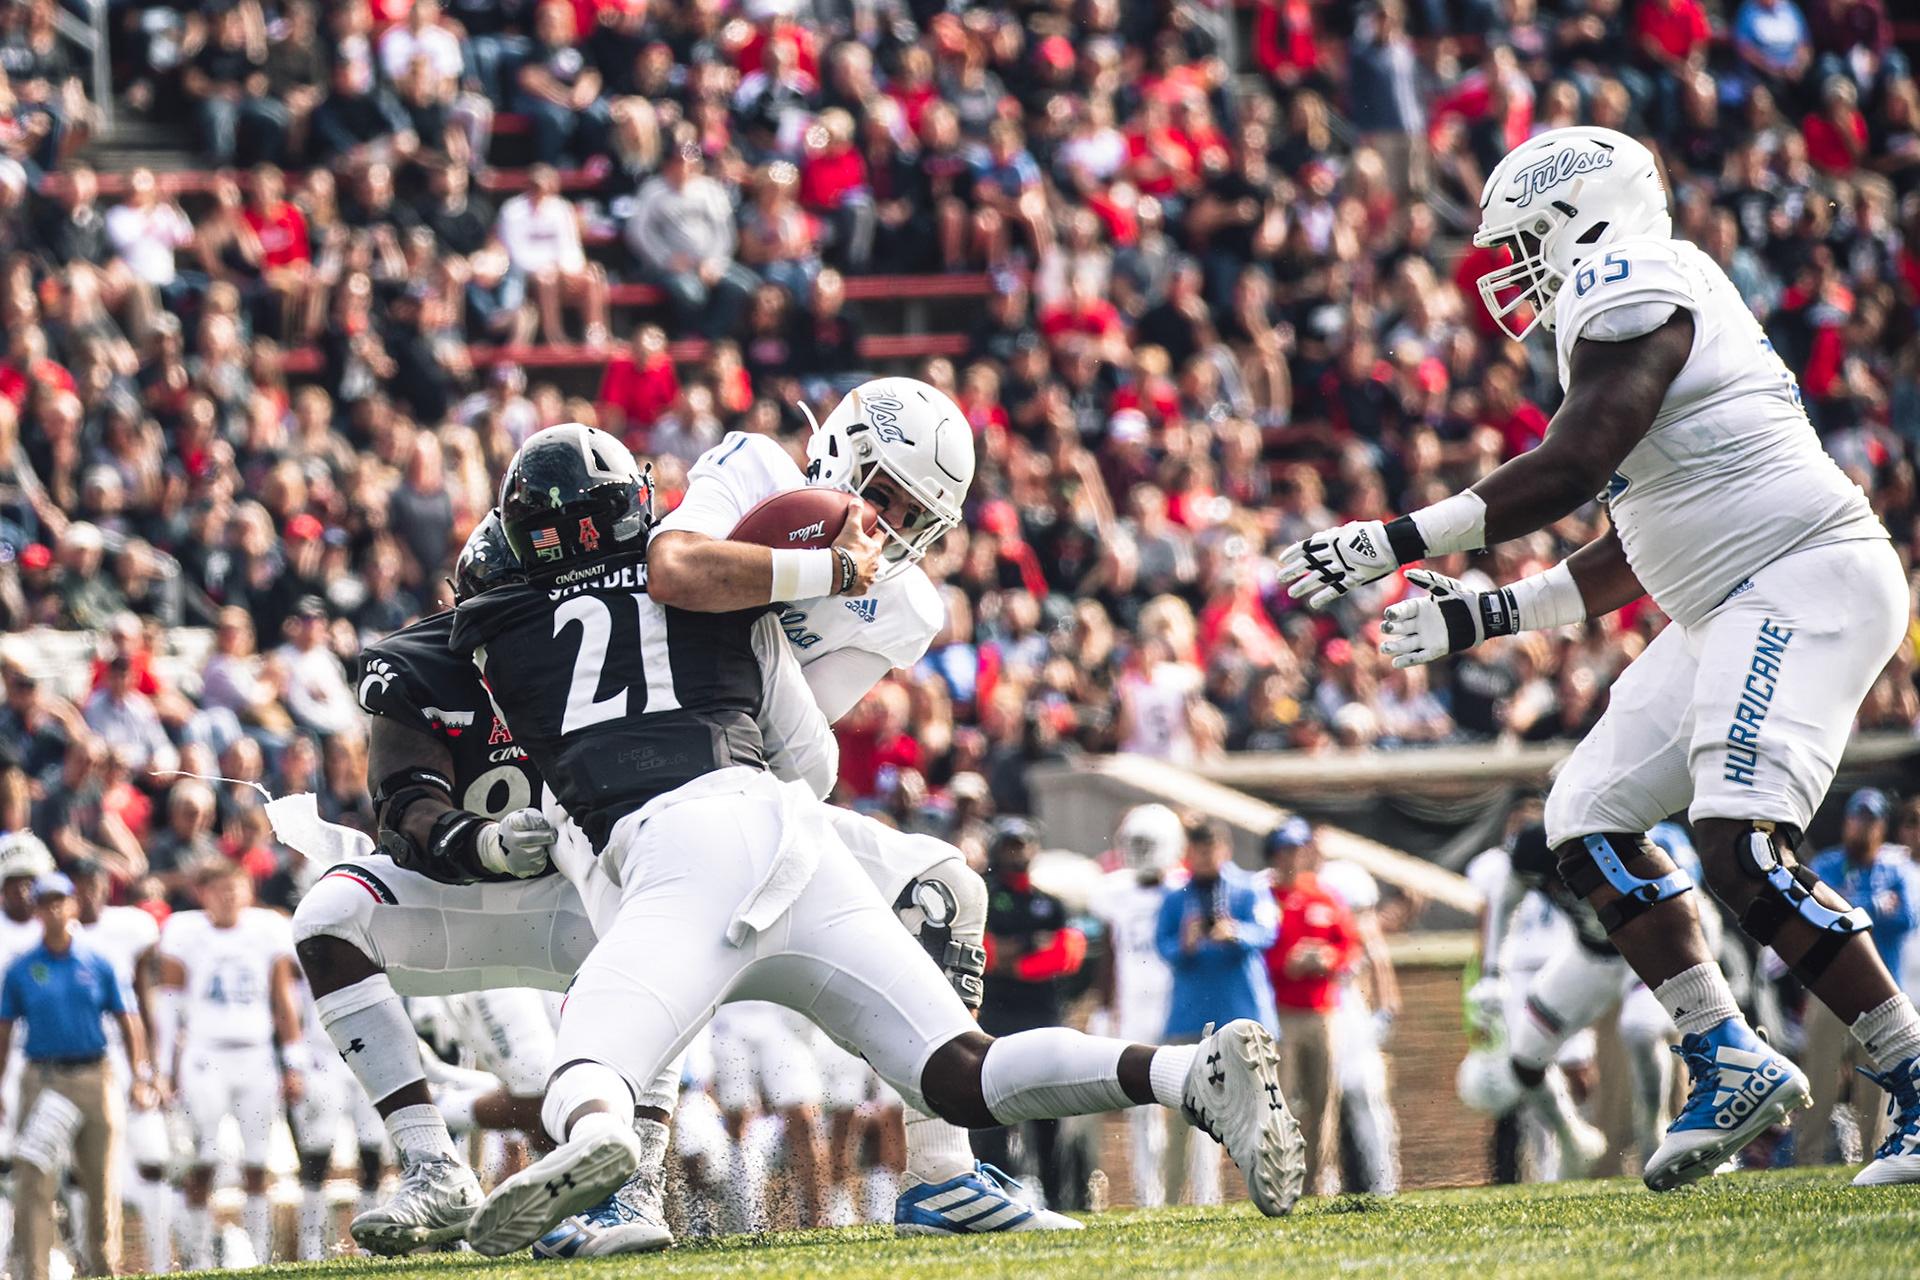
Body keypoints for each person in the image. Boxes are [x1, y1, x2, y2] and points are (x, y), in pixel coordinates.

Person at [448, 425, 1304, 1255]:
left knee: (592, 1058)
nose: (890, 523)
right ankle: (1185, 1074)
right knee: (963, 1070)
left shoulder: (502, 627)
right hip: (783, 829)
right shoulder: (718, 556)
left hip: (670, 843)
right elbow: (803, 754)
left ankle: (604, 1150)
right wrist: (802, 587)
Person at [1278, 124, 1919, 1189]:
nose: (1514, 269)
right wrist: (1485, 616)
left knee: (1738, 841)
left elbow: (1572, 466)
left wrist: (1395, 538)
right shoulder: (1642, 306)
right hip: (1731, 593)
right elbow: (1636, 544)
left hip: (1798, 573)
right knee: (1585, 816)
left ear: (1580, 219)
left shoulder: (1631, 279)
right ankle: (1725, 1054)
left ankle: (1913, 1071)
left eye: (1525, 240)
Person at [0, 873, 157, 1280]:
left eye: (60, 900)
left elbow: (129, 1020)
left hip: (94, 1075)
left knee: (101, 1179)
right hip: (42, 1077)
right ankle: (34, 1272)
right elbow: (4, 1031)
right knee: (35, 1180)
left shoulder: (98, 961)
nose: (54, 909)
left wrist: (141, 1075)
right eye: (45, 902)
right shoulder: (21, 968)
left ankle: (103, 1269)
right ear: (36, 911)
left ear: (72, 904)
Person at [156, 860, 306, 1268]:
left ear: (248, 891)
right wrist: (164, 1069)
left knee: (257, 1162)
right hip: (206, 1054)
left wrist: (293, 1062)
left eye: (235, 887)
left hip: (256, 1052)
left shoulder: (266, 929)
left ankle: (260, 1256)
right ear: (202, 893)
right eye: (219, 888)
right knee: (203, 1159)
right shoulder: (185, 931)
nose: (228, 896)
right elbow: (169, 1005)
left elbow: (283, 998)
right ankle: (198, 1258)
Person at [1156, 815, 1279, 1205]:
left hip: (1241, 1012)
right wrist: (1186, 942)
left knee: (1258, 1109)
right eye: (1198, 850)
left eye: (1211, 849)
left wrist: (1236, 932)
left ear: (1225, 849)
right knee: (1180, 1111)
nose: (1205, 857)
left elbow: (1268, 932)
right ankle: (1173, 1200)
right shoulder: (1175, 897)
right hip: (1189, 1015)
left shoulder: (1248, 889)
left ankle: (1267, 1192)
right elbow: (1162, 946)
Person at [973, 818, 1087, 1211]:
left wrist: (1015, 959)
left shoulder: (1051, 903)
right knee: (993, 1112)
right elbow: (985, 953)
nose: (1016, 853)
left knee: (1049, 1113)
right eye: (1010, 845)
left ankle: (1058, 1200)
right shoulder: (985, 898)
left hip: (1043, 1017)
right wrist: (1032, 948)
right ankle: (995, 1198)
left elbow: (1067, 955)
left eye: (1022, 845)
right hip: (997, 1020)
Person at [1800, 789, 1918, 1165]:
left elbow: (1908, 917)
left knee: (1876, 1083)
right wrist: (1875, 906)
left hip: (1881, 991)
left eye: (1870, 820)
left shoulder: (1896, 868)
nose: (1862, 827)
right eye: (1857, 818)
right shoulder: (1827, 863)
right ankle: (1807, 1157)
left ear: (1882, 826)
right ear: (1846, 822)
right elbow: (1819, 915)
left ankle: (1874, 1157)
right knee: (1820, 1075)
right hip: (1830, 988)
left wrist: (1853, 907)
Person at [69, 858, 169, 1271]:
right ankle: (88, 1262)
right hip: (77, 1059)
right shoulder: (54, 935)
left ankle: (161, 1262)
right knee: (81, 1166)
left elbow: (144, 1000)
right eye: (79, 884)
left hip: (126, 1056)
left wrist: (152, 1068)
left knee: (154, 1159)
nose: (87, 893)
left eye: (94, 883)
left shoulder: (130, 928)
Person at [1087, 803, 1186, 1207]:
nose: (1142, 851)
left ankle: (1200, 1194)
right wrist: (1103, 1008)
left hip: (1177, 1008)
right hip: (1133, 1009)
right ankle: (1149, 1195)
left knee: (1191, 1104)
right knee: (1140, 1106)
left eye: (1149, 843)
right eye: (1137, 842)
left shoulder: (1184, 888)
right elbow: (1110, 952)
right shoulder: (1114, 891)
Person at [1263, 818, 1359, 1196]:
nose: (1291, 859)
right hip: (1281, 1013)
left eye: (1297, 851)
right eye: (1284, 852)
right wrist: (1285, 963)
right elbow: (1256, 951)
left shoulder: (1324, 896)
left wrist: (1328, 958)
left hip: (1322, 1011)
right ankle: (1282, 1180)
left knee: (1323, 1098)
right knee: (1282, 1100)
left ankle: (1317, 1181)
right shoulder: (1265, 897)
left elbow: (1349, 946)